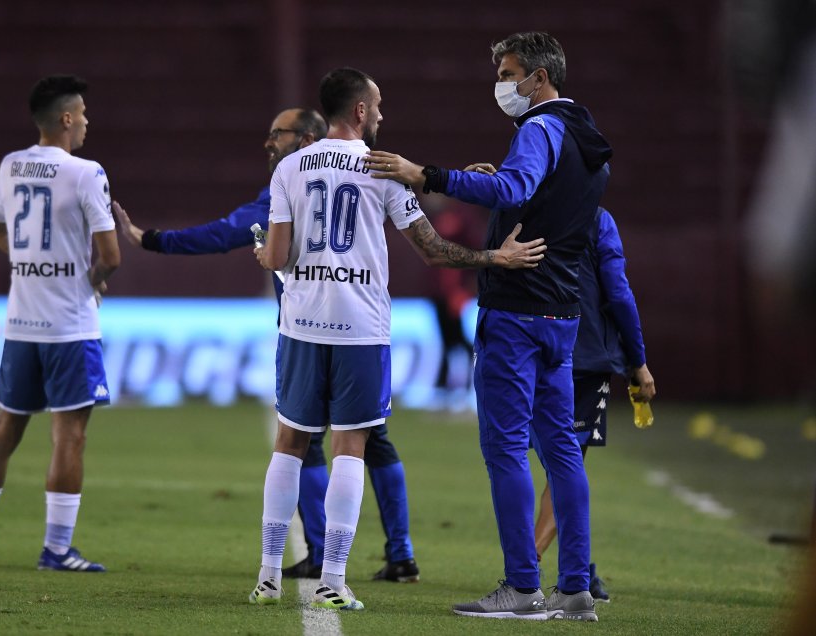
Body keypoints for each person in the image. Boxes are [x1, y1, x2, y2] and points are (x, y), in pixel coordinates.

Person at [247, 66, 546, 611]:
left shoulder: (288, 168)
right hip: (360, 328)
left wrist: (266, 255)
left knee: (289, 443)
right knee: (349, 448)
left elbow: (280, 255)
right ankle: (333, 579)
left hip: (301, 324)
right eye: (378, 104)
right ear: (360, 110)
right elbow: (432, 249)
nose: (382, 114)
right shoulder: (382, 168)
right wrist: (494, 257)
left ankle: (267, 576)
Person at [112, 107, 422, 583]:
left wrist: (153, 239)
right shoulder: (365, 173)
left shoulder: (290, 182)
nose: (268, 142)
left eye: (278, 133)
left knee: (303, 439)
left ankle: (319, 551)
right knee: (370, 439)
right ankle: (400, 553)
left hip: (308, 333)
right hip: (361, 329)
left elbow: (223, 233)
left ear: (307, 139)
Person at [366, 31, 612, 621]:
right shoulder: (584, 131)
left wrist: (425, 174)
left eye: (507, 73)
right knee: (562, 450)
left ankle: (522, 587)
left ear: (539, 77)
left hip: (518, 311)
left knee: (505, 449)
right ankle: (575, 588)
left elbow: (516, 187)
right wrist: (499, 186)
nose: (500, 84)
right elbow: (541, 197)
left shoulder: (538, 128)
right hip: (563, 313)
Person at [0, 75, 120, 572]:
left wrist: (32, 263)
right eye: (83, 113)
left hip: (21, 323)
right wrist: (91, 281)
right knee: (70, 435)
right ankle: (57, 549)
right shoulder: (87, 173)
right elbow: (111, 256)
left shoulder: (11, 164)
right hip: (69, 326)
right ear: (66, 118)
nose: (88, 121)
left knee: (6, 428)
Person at [530, 206, 656, 602]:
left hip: (530, 351)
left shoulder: (528, 209)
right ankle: (529, 568)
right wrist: (637, 360)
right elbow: (618, 292)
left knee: (543, 462)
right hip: (583, 358)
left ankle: (576, 567)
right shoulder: (598, 220)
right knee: (566, 467)